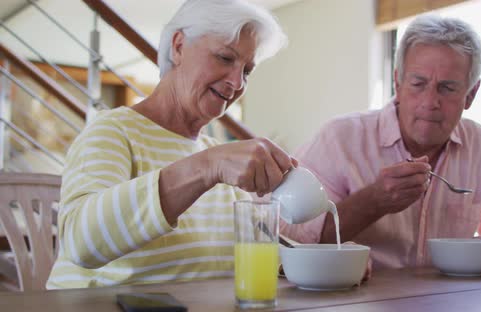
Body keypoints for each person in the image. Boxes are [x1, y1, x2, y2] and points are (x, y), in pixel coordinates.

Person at [47, 0, 296, 289]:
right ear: (178, 47)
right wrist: (206, 166)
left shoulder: (216, 154)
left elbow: (248, 250)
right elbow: (81, 243)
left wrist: (318, 261)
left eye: (247, 71)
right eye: (225, 58)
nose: (237, 82)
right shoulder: (113, 131)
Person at [280, 15, 481, 277]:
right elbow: (287, 240)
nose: (430, 101)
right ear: (397, 82)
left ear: (471, 94)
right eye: (418, 84)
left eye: (447, 88)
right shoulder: (339, 139)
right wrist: (374, 201)